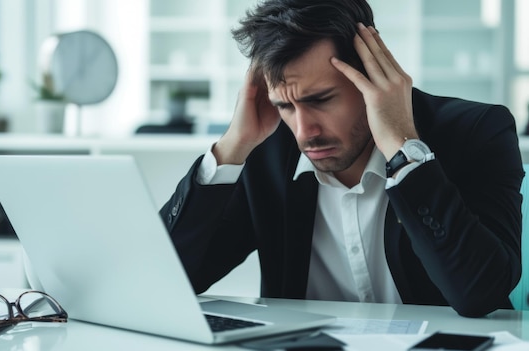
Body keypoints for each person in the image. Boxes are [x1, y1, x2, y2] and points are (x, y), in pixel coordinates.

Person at [159, 0, 524, 318]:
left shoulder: (477, 132)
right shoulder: (266, 148)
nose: (304, 131)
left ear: (371, 75)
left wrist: (404, 150)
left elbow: (481, 294)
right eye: (284, 105)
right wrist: (233, 146)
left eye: (320, 99)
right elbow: (167, 279)